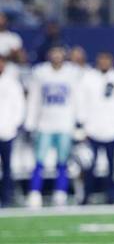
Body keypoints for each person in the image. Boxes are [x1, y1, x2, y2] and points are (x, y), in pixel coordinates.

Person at [25, 46, 79, 207]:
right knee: (39, 161)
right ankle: (35, 192)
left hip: (64, 123)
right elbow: (34, 99)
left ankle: (60, 192)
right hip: (45, 124)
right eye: (53, 52)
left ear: (64, 54)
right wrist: (30, 122)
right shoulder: (40, 72)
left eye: (59, 52)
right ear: (49, 54)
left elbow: (76, 98)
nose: (56, 55)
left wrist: (79, 121)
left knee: (63, 161)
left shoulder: (72, 72)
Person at [78, 52, 114, 204]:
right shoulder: (88, 78)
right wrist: (83, 126)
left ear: (111, 61)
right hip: (92, 129)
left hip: (113, 129)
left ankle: (112, 195)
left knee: (112, 165)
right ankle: (86, 195)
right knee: (89, 165)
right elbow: (81, 102)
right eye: (101, 60)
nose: (104, 63)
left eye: (106, 60)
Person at [0, 54, 26, 206]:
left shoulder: (12, 83)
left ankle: (6, 197)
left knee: (7, 166)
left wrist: (13, 124)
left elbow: (19, 106)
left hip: (7, 131)